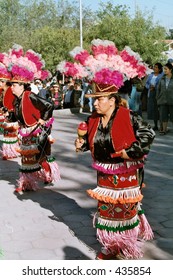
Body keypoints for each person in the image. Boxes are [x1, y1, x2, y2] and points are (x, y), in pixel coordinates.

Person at [58, 39, 155, 260]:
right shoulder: (93, 120)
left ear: (112, 100)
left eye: (99, 100)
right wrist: (81, 144)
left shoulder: (128, 117)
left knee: (124, 212)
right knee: (107, 212)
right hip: (104, 174)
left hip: (126, 173)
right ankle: (111, 246)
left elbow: (148, 134)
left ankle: (126, 246)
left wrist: (128, 153)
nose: (95, 104)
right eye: (94, 100)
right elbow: (94, 142)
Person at [0, 44, 60, 193]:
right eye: (12, 84)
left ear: (22, 86)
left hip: (38, 131)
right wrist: (9, 115)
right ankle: (26, 183)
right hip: (25, 132)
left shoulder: (30, 96)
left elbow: (48, 106)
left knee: (41, 158)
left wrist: (42, 120)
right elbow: (17, 114)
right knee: (26, 159)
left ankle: (48, 175)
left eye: (14, 85)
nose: (11, 87)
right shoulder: (16, 100)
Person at [0, 63, 20, 160]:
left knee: (10, 134)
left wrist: (9, 112)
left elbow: (12, 105)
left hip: (11, 116)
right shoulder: (3, 91)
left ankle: (12, 151)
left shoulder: (10, 91)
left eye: (1, 81)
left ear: (4, 82)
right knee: (7, 134)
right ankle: (8, 151)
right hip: (6, 115)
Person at [145, 63, 163, 131]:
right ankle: (155, 125)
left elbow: (162, 85)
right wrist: (149, 87)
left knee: (159, 110)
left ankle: (162, 125)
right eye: (154, 67)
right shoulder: (151, 75)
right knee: (153, 109)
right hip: (151, 93)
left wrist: (155, 87)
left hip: (158, 94)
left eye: (156, 67)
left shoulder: (161, 76)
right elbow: (146, 84)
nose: (154, 68)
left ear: (159, 69)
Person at [156, 62, 173, 135]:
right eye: (164, 69)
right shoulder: (162, 79)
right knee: (163, 116)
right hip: (162, 100)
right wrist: (158, 98)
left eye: (166, 69)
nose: (164, 70)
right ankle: (164, 130)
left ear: (170, 70)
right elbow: (158, 89)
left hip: (172, 100)